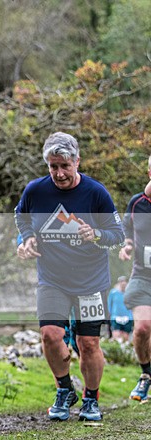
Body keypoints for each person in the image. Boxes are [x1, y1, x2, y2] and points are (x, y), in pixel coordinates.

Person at [15, 131, 124, 422]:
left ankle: (90, 398)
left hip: (91, 281)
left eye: (65, 165)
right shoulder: (35, 191)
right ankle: (64, 389)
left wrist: (96, 233)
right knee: (51, 335)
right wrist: (24, 241)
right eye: (53, 167)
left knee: (88, 343)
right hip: (52, 279)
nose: (59, 173)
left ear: (77, 161)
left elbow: (117, 235)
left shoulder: (96, 193)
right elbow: (21, 216)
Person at [119, 156, 151, 401]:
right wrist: (127, 246)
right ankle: (145, 375)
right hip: (142, 275)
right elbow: (128, 230)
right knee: (141, 328)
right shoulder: (136, 203)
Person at [107, 276, 133, 341]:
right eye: (121, 281)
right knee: (116, 336)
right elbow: (109, 304)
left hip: (127, 317)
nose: (123, 283)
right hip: (115, 317)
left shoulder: (130, 293)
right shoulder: (113, 293)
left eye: (124, 281)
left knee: (125, 337)